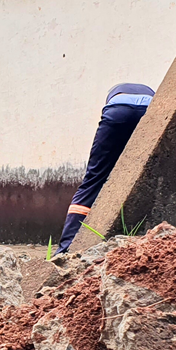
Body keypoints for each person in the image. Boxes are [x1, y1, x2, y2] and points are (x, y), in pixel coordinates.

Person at [56, 82, 156, 256]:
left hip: (117, 112)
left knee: (93, 181)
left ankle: (66, 249)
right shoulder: (148, 91)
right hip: (150, 109)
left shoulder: (114, 95)